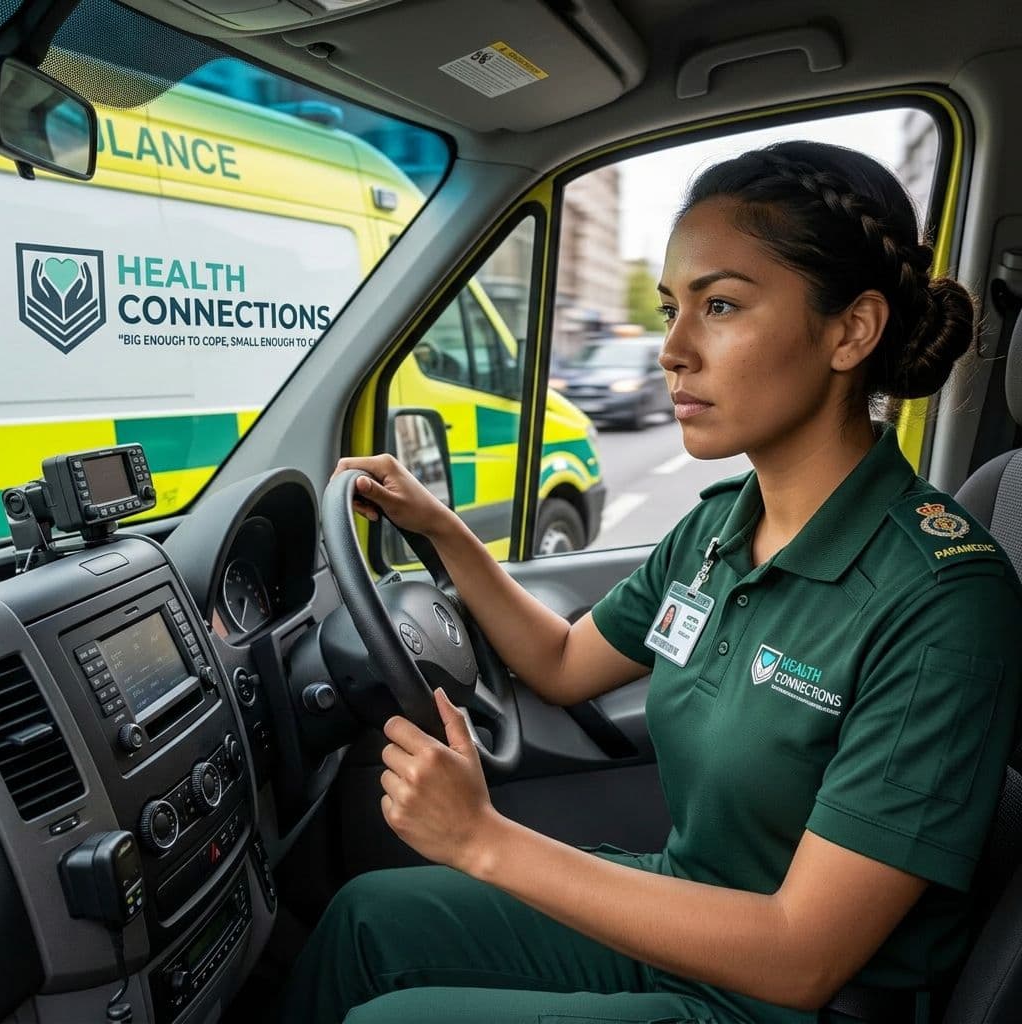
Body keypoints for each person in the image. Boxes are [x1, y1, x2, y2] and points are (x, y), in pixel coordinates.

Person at [279, 141, 1022, 1024]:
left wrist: (483, 841)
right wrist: (440, 531)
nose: (671, 349)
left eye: (719, 305)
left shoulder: (943, 601)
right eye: (672, 308)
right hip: (685, 909)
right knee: (366, 916)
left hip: (797, 1000)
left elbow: (804, 954)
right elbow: (558, 661)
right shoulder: (719, 526)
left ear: (849, 331)